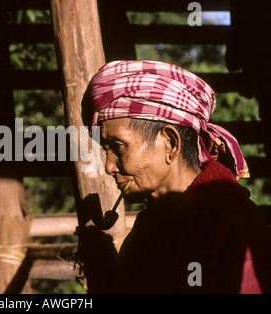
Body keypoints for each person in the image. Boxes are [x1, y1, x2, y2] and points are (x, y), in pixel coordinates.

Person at [84, 60, 271, 293]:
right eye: (105, 149)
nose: (109, 166)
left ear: (170, 143)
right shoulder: (149, 228)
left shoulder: (233, 224)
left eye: (118, 146)